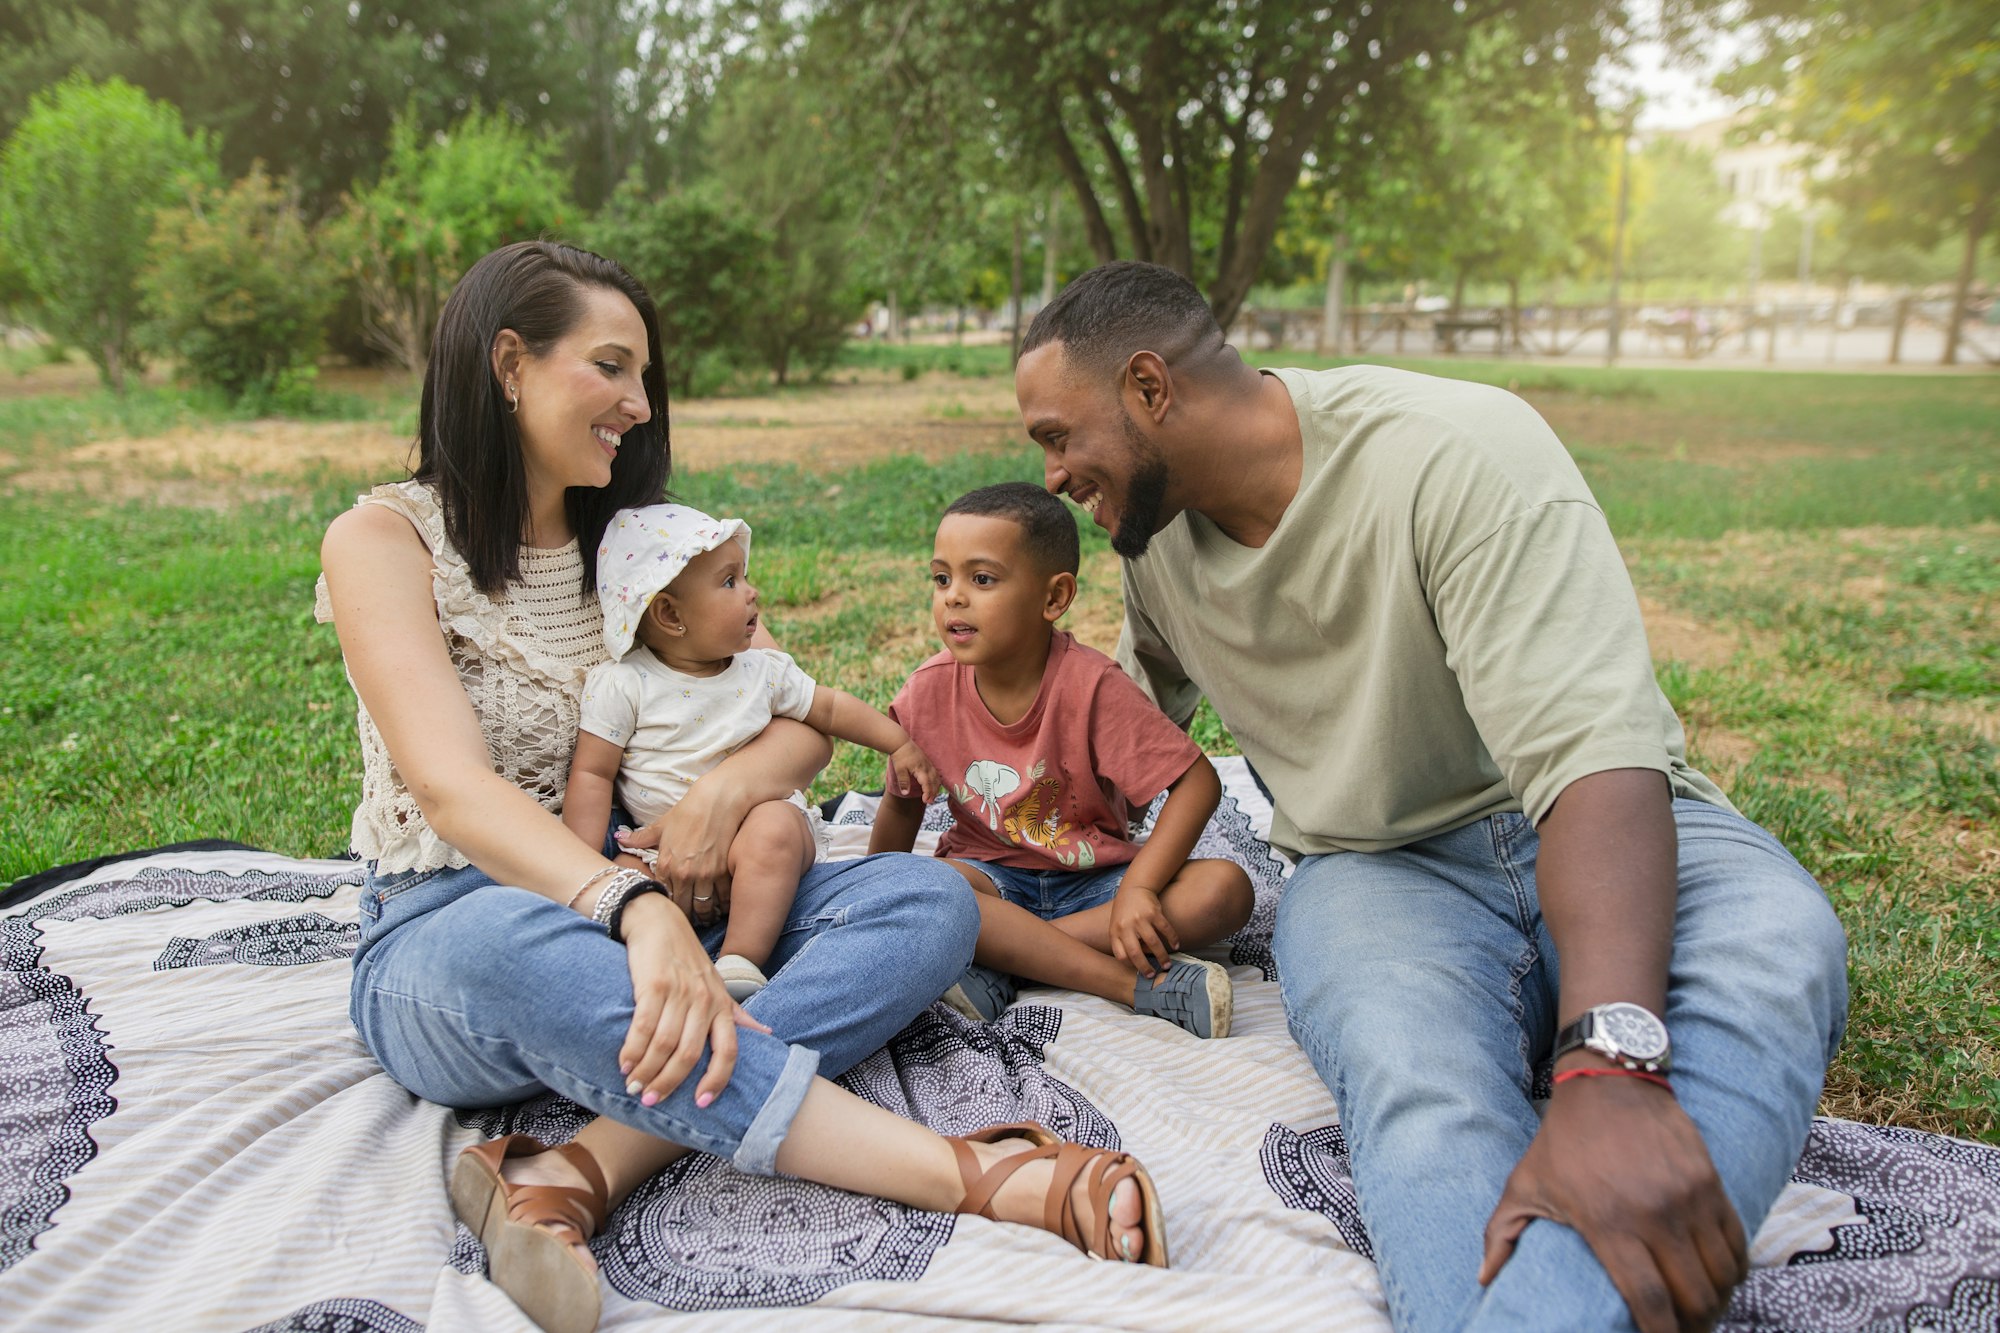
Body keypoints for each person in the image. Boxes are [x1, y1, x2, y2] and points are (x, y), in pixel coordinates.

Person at [316, 241, 1169, 1333]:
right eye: (611, 368)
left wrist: (721, 803)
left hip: (683, 896)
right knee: (521, 952)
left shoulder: (637, 546)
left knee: (928, 901)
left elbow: (793, 716)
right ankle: (977, 1174)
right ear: (510, 362)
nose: (637, 402)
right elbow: (450, 791)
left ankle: (580, 1166)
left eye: (643, 377)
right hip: (455, 926)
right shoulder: (385, 539)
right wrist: (631, 914)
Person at [1011, 262, 1848, 1332]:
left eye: (1055, 434)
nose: (1049, 475)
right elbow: (1116, 726)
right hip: (1374, 872)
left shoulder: (1454, 450)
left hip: (1606, 821)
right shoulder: (1157, 541)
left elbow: (1595, 762)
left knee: (1774, 953)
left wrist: (1610, 1067)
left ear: (1146, 387)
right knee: (1416, 1087)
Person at [868, 483, 1252, 1038]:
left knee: (1223, 890)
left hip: (1097, 885)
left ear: (1053, 598)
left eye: (981, 579)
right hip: (988, 879)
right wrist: (878, 896)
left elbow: (1197, 782)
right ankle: (1126, 984)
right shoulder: (925, 694)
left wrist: (1139, 890)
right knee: (932, 892)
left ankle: (1010, 960)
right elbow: (902, 806)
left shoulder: (1092, 687)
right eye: (941, 577)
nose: (953, 597)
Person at [562, 501, 944, 1000]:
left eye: (745, 577)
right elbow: (591, 775)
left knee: (774, 829)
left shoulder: (762, 671)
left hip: (761, 834)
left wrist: (898, 743)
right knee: (625, 880)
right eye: (729, 582)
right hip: (663, 853)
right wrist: (584, 862)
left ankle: (739, 963)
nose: (752, 592)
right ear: (669, 614)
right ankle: (663, 965)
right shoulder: (622, 685)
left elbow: (828, 708)